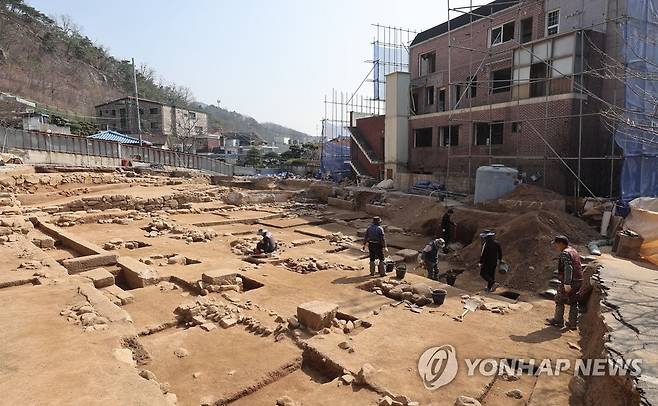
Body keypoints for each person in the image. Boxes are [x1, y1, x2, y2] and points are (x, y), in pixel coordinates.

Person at [546, 235, 583, 330]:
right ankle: (573, 323)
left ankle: (558, 320)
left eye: (557, 244)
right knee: (574, 301)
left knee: (560, 299)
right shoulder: (573, 251)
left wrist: (567, 283)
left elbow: (568, 268)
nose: (556, 247)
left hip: (570, 280)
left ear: (561, 244)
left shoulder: (565, 254)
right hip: (578, 280)